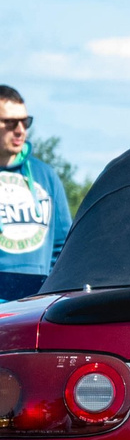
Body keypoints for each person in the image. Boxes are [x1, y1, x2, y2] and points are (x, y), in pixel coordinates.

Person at [0, 85, 72, 300]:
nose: (20, 130)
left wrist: (49, 291)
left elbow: (63, 246)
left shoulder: (45, 175)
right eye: (11, 123)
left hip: (35, 303)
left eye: (25, 122)